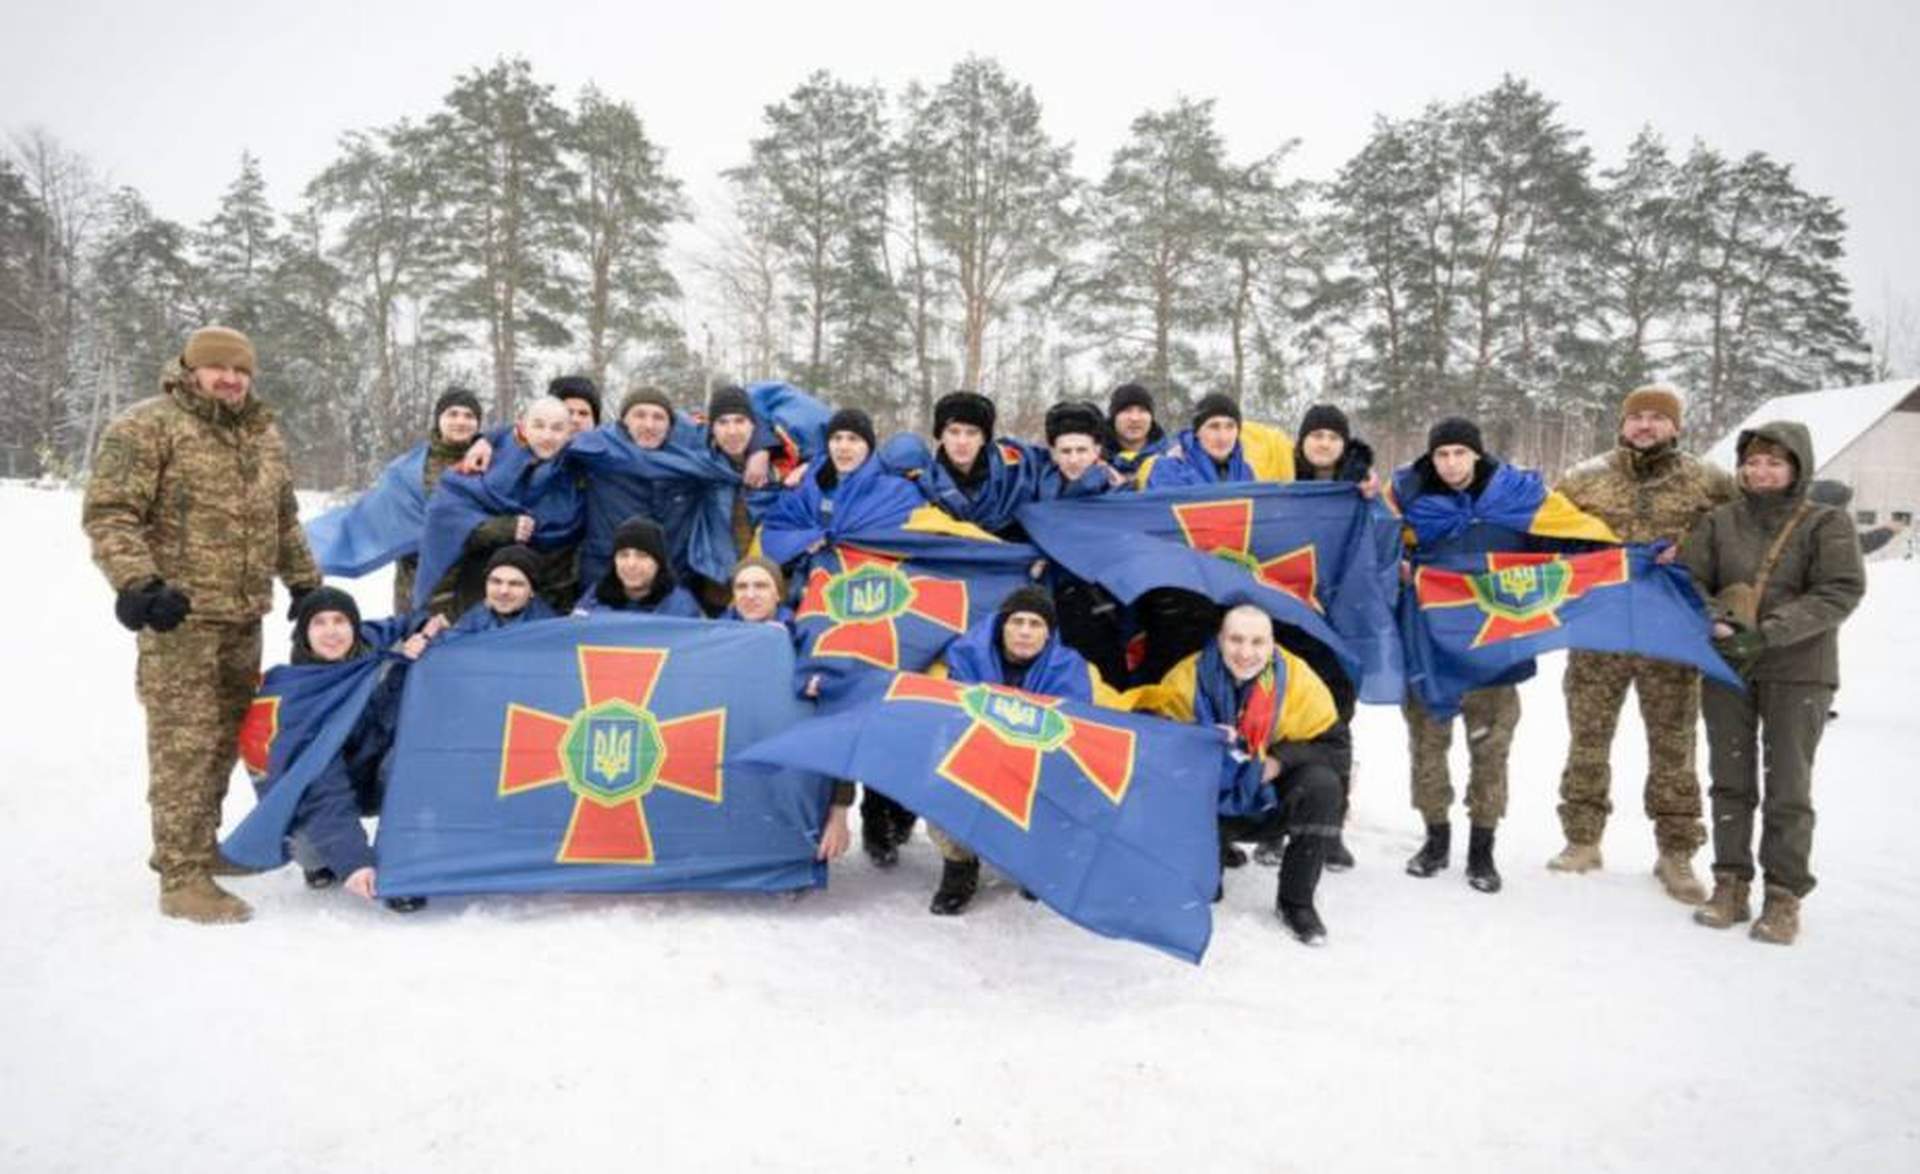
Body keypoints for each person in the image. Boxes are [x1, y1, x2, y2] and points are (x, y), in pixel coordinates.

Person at [83, 325, 322, 923]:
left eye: (241, 371)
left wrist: (307, 586)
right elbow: (111, 513)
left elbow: (284, 519)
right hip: (179, 617)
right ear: (190, 369)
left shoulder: (261, 433)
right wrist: (139, 584)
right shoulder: (148, 426)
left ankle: (199, 846)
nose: (231, 379)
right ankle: (181, 875)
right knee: (183, 744)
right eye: (218, 369)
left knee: (224, 738)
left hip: (244, 614)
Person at [1391, 416, 1613, 894]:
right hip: (1429, 644)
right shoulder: (1407, 498)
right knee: (1428, 746)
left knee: (1491, 749)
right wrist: (1399, 567)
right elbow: (1373, 544)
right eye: (1441, 454)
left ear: (1477, 454)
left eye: (1459, 453)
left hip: (1496, 643)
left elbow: (1577, 539)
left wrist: (1630, 557)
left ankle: (1482, 849)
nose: (1450, 463)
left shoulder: (1519, 497)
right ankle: (1435, 839)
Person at [1548, 386, 1737, 901]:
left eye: (1658, 418)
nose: (1646, 426)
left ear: (1675, 426)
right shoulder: (1583, 480)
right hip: (1599, 632)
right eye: (1637, 418)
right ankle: (1582, 838)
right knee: (1587, 737)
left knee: (1674, 745)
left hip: (1670, 634)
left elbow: (1740, 540)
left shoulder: (1710, 482)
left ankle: (1676, 853)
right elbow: (1544, 539)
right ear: (1622, 424)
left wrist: (1694, 554)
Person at [1681, 421, 1865, 945]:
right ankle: (1730, 883)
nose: (1761, 471)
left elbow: (1840, 591)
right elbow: (1690, 579)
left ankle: (1784, 896)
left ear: (1797, 467)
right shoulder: (1719, 521)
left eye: (1775, 462)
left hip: (1800, 670)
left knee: (1789, 786)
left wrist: (1768, 635)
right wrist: (1717, 617)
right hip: (1726, 667)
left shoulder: (1825, 523)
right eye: (1754, 462)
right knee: (1730, 781)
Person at [1135, 604, 1348, 945]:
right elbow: (1153, 743)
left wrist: (1279, 761)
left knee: (1322, 786)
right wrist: (1200, 744)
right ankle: (1206, 861)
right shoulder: (1186, 676)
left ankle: (1296, 902)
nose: (1246, 653)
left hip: (1268, 796)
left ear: (1272, 644)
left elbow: (1337, 748)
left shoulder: (1298, 678)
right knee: (1204, 894)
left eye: (1257, 642)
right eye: (1235, 640)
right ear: (1219, 639)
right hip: (1205, 801)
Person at [922, 587, 1119, 916]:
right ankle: (960, 868)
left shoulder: (1070, 668)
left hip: (1038, 764)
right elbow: (955, 719)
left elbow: (1072, 734)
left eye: (1036, 624)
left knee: (1066, 795)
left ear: (1049, 633)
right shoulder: (966, 656)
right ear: (1002, 625)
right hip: (979, 756)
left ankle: (1035, 862)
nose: (1025, 631)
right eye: (1017, 621)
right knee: (944, 786)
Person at [277, 587, 444, 911]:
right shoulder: (298, 697)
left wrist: (425, 632)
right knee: (310, 843)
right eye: (319, 623)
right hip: (328, 787)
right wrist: (354, 861)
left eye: (340, 621)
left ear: (354, 626)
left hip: (378, 768)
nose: (331, 632)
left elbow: (412, 620)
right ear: (303, 634)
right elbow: (321, 787)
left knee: (411, 763)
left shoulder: (370, 646)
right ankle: (321, 861)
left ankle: (404, 866)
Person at [429, 397, 583, 618]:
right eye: (538, 426)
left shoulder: (581, 471)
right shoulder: (488, 465)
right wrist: (503, 528)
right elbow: (446, 523)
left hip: (554, 598)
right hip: (483, 598)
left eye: (557, 429)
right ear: (523, 428)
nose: (547, 435)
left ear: (570, 433)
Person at [392, 386, 484, 615]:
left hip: (477, 587)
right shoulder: (410, 468)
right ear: (438, 420)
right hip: (420, 584)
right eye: (452, 414)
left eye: (469, 415)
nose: (460, 421)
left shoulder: (491, 463)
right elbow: (396, 524)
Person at [1139, 393, 1295, 489]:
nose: (1223, 437)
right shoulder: (1167, 469)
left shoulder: (1246, 471)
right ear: (1197, 432)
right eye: (1214, 427)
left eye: (1230, 427)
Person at [574, 516, 703, 617]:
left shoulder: (680, 606)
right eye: (623, 555)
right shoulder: (595, 598)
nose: (631, 564)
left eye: (642, 556)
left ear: (658, 562)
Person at [449, 545, 560, 633]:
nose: (503, 591)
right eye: (496, 581)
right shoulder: (478, 613)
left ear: (532, 591)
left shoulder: (547, 630)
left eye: (515, 584)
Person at [1103, 382, 1170, 485]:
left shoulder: (1171, 458)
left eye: (1142, 411)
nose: (1135, 418)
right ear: (1114, 418)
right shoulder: (1094, 460)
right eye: (1127, 411)